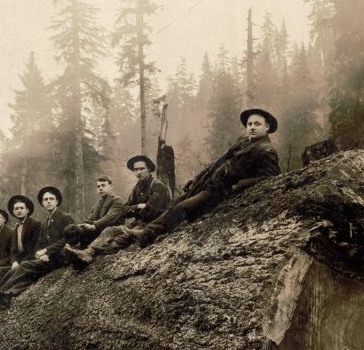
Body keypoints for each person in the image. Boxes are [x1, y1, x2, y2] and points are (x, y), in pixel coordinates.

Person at [134, 107, 281, 246]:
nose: (252, 127)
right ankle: (145, 232)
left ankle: (147, 236)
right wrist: (197, 178)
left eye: (257, 124)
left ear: (267, 127)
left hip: (218, 192)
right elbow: (219, 162)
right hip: (207, 182)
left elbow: (270, 177)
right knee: (175, 203)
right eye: (249, 124)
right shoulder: (243, 140)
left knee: (182, 208)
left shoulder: (266, 150)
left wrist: (237, 186)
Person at [63, 153, 171, 266]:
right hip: (139, 222)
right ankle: (88, 253)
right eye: (135, 170)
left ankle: (89, 255)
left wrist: (135, 209)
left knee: (121, 238)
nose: (138, 172)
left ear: (149, 169)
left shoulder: (157, 186)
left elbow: (149, 212)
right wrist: (138, 206)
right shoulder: (137, 188)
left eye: (141, 169)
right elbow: (123, 210)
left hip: (153, 224)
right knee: (109, 230)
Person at [0, 186, 74, 306]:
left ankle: (0, 292)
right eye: (45, 200)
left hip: (61, 257)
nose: (48, 201)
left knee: (25, 265)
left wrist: (46, 251)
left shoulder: (65, 217)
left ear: (57, 201)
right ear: (42, 203)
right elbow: (40, 243)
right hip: (48, 258)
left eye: (51, 199)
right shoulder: (45, 222)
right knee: (27, 275)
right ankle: (7, 294)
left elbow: (67, 239)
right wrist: (41, 253)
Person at [63, 175, 124, 249]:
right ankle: (74, 249)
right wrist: (82, 225)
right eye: (98, 187)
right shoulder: (97, 204)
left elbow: (109, 218)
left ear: (111, 186)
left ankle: (84, 252)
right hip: (99, 231)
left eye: (103, 185)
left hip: (112, 231)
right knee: (73, 229)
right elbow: (91, 218)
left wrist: (94, 225)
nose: (100, 188)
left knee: (88, 235)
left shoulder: (117, 201)